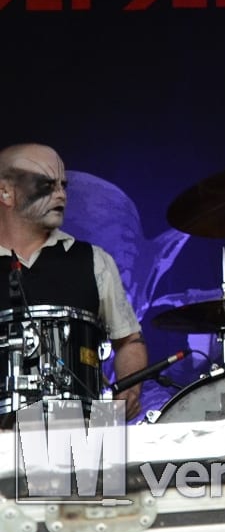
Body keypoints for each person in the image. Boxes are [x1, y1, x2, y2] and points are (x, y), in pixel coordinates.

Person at [0, 144, 147, 416]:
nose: (61, 194)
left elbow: (128, 341)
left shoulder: (95, 261)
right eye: (47, 185)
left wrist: (130, 389)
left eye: (63, 185)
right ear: (6, 192)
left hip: (78, 430)